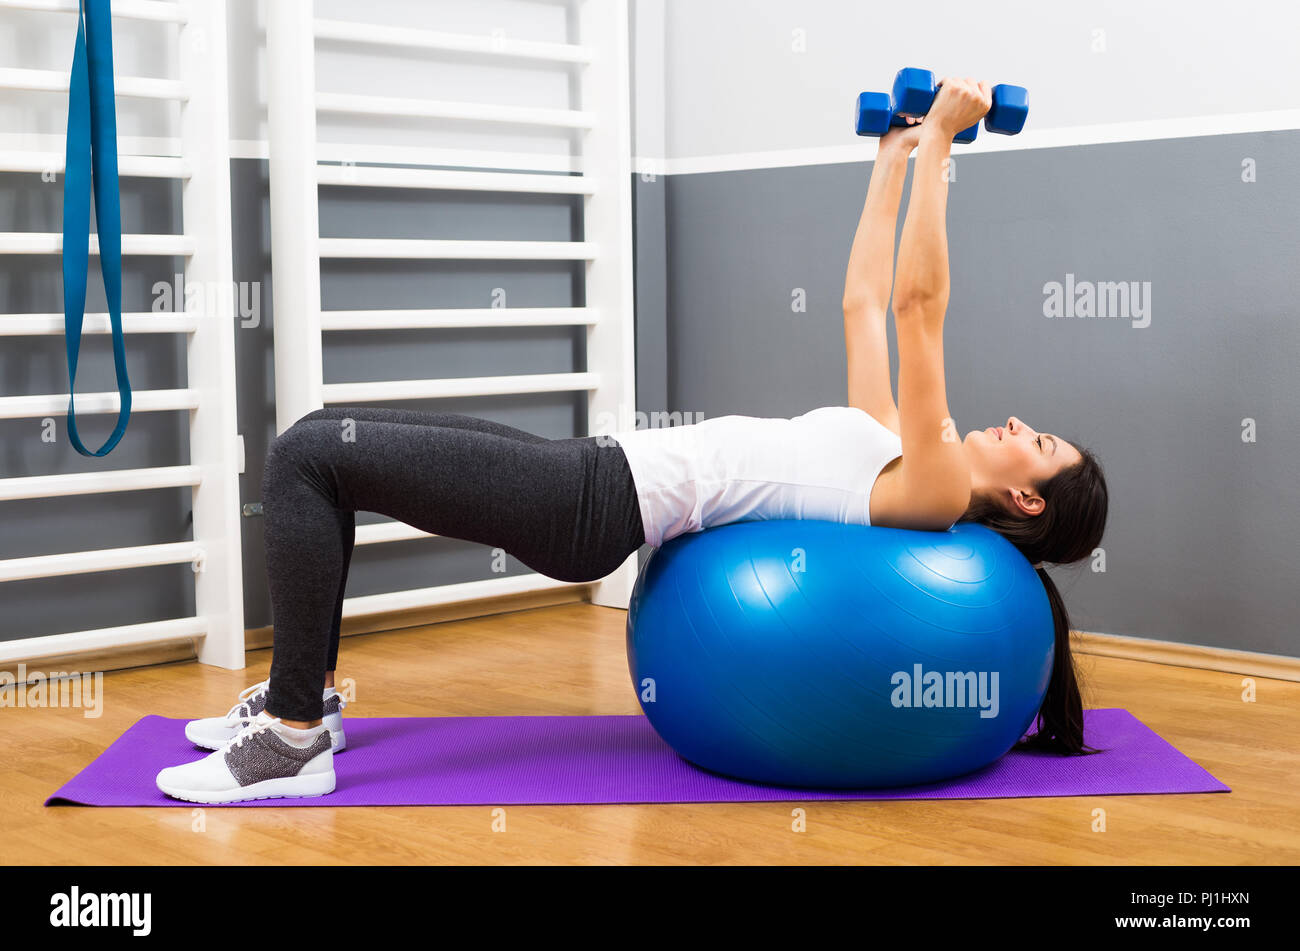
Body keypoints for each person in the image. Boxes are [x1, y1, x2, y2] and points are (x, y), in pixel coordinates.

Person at [155, 78, 1107, 803]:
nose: (1021, 424)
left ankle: (290, 740)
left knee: (305, 459)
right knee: (325, 439)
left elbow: (917, 308)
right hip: (594, 469)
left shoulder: (935, 489)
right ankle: (308, 700)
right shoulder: (898, 443)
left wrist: (945, 142)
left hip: (594, 507)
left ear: (1026, 500)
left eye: (1041, 443)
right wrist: (897, 155)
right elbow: (865, 302)